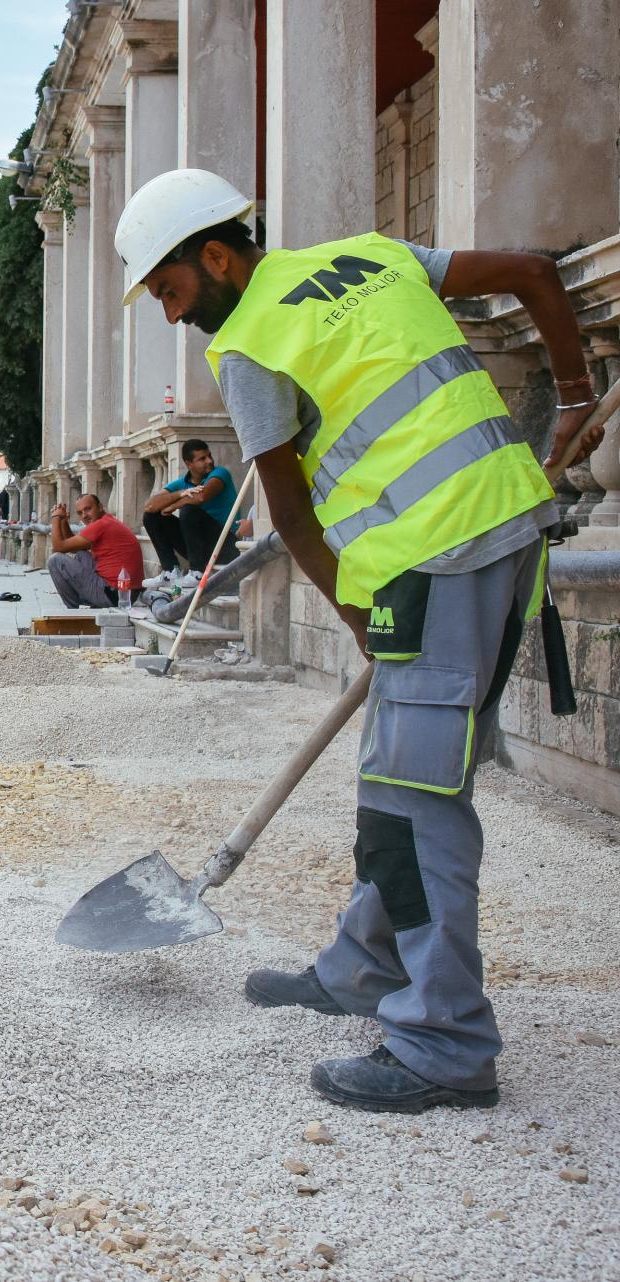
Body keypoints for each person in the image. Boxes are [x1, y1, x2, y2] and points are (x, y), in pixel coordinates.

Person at [118, 167, 605, 1113]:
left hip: (432, 561)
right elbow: (537, 275)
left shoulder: (252, 344)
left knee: (414, 805)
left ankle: (444, 1040)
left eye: (173, 293)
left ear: (217, 257)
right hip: (506, 535)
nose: (177, 316)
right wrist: (577, 392)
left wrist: (358, 618)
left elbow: (294, 515)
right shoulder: (371, 257)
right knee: (401, 776)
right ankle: (362, 967)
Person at [142, 438, 239, 580]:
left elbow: (201, 496)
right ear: (189, 464)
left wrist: (174, 505)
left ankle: (197, 573)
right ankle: (170, 571)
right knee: (151, 516)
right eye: (202, 459)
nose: (209, 461)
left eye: (209, 456)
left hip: (225, 545)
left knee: (188, 510)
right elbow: (150, 505)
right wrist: (181, 493)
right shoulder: (181, 483)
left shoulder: (220, 473)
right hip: (197, 547)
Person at [45, 492, 144, 609]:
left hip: (116, 595)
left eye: (88, 509)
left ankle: (72, 608)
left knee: (55, 560)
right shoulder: (107, 521)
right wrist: (64, 521)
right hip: (125, 593)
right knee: (82, 554)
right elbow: (74, 546)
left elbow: (58, 547)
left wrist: (55, 517)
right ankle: (85, 598)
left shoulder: (101, 525)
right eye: (80, 513)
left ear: (100, 507)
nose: (84, 515)